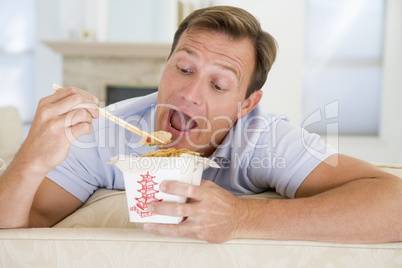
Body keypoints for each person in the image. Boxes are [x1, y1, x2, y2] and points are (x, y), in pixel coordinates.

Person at [0, 6, 401, 243]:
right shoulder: (106, 133)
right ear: (164, 68)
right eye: (184, 67)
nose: (189, 94)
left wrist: (244, 218)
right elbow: (20, 231)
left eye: (218, 83)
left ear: (246, 104)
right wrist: (30, 161)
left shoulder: (265, 140)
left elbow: (394, 204)